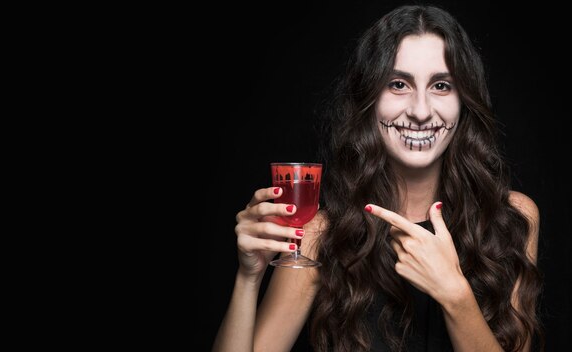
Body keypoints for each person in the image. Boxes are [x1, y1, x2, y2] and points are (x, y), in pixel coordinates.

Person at [212, 4, 543, 352]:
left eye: (441, 85)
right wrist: (248, 277)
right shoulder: (320, 235)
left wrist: (455, 293)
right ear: (368, 98)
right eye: (398, 84)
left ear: (464, 100)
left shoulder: (513, 219)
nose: (420, 111)